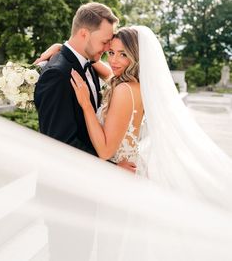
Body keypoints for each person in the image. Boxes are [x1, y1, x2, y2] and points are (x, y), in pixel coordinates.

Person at [37, 24, 232, 210]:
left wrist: (86, 105)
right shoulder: (134, 84)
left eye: (123, 54)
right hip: (127, 173)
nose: (114, 61)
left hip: (118, 178)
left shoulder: (124, 90)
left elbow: (105, 151)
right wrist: (62, 48)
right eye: (111, 52)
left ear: (136, 57)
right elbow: (98, 64)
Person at [34, 2, 136, 172]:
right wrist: (113, 169)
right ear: (83, 34)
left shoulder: (90, 64)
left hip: (88, 182)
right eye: (105, 42)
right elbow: (60, 143)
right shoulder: (58, 75)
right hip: (66, 184)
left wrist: (60, 46)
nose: (107, 49)